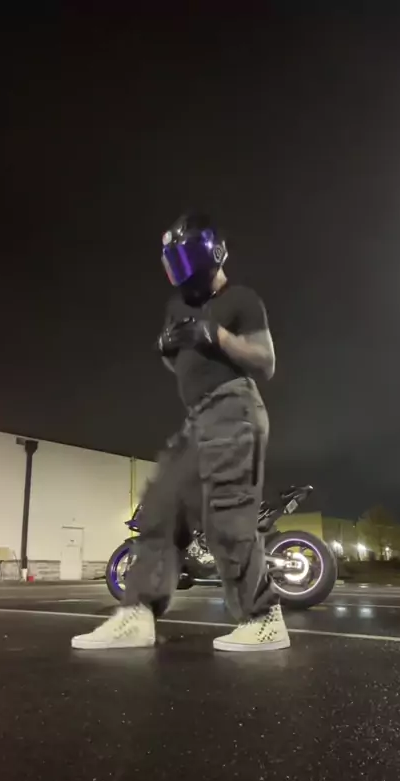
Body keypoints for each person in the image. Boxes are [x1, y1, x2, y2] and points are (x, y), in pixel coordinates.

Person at [72, 213, 290, 652]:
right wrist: (167, 351)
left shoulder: (241, 299)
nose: (181, 272)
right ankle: (137, 616)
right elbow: (187, 368)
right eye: (174, 262)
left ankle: (264, 619)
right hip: (198, 418)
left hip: (235, 409)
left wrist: (216, 335)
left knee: (228, 518)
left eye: (186, 259)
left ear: (214, 254)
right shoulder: (178, 307)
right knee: (160, 507)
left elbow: (265, 361)